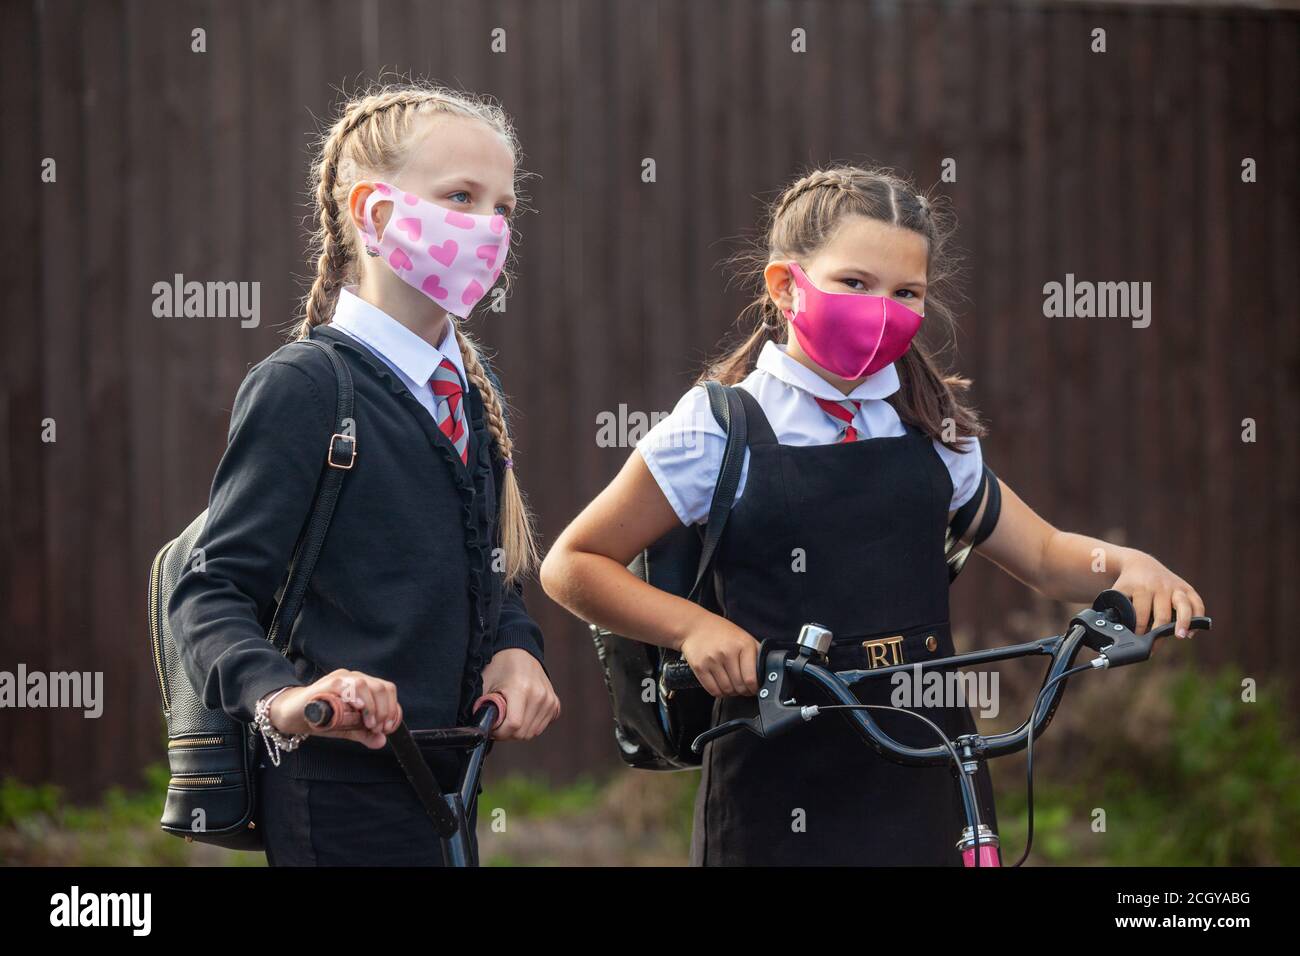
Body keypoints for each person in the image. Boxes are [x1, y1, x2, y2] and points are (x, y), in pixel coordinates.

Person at [540, 165, 1205, 866]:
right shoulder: (719, 425)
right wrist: (695, 627)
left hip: (930, 761)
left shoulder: (928, 424)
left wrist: (1129, 564)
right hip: (776, 771)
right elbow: (573, 565)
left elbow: (1042, 556)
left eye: (905, 293)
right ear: (785, 286)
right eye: (855, 283)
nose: (881, 307)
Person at [169, 82, 560, 866]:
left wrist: (517, 648)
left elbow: (489, 576)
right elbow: (208, 595)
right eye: (460, 196)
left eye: (503, 208)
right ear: (375, 215)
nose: (489, 227)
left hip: (451, 791)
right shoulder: (305, 388)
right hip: (334, 801)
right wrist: (290, 698)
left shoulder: (468, 396)